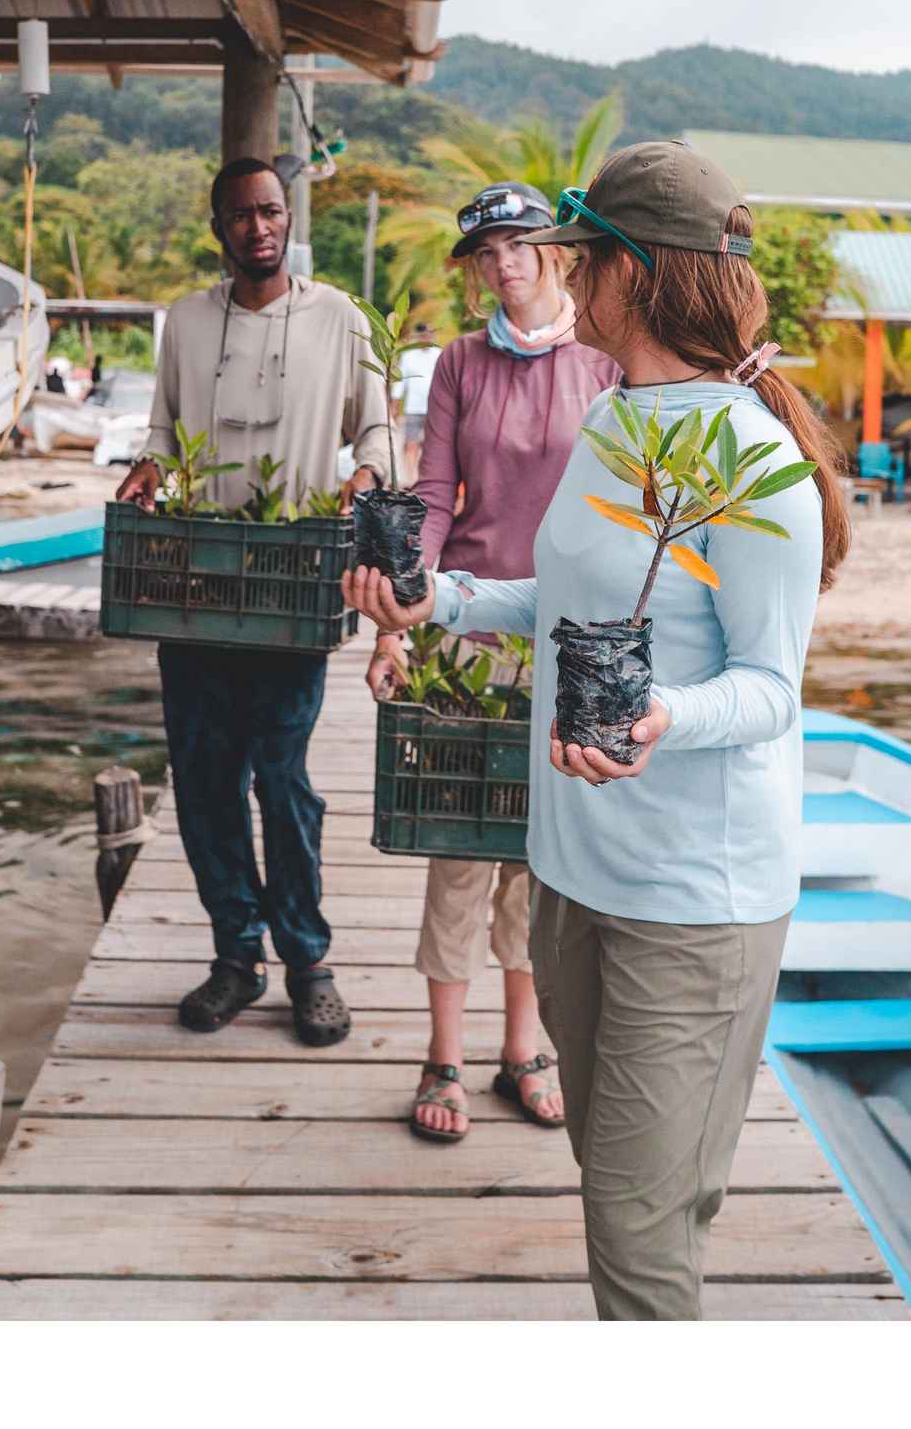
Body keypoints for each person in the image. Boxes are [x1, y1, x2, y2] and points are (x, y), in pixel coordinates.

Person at [345, 141, 852, 1318]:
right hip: (574, 872)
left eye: (584, 253)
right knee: (633, 1193)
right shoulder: (620, 418)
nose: (563, 272)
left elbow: (773, 688)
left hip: (693, 901)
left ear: (638, 273)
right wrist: (444, 599)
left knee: (636, 1232)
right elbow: (561, 597)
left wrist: (662, 713)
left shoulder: (750, 461)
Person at [117, 159, 398, 1046]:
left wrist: (364, 475)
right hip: (196, 583)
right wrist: (150, 464)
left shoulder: (339, 317)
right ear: (219, 227)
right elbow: (162, 424)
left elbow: (378, 425)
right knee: (204, 784)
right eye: (240, 214)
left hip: (293, 582)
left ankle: (308, 960)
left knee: (283, 783)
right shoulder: (187, 321)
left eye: (270, 210)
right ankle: (235, 956)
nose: (257, 227)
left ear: (290, 219)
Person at [370, 181, 620, 1146]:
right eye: (488, 251)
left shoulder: (602, 362)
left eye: (521, 245)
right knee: (458, 844)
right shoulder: (459, 364)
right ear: (475, 268)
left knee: (538, 855)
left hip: (565, 633)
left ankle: (524, 1048)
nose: (506, 262)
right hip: (469, 633)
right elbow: (434, 497)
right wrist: (398, 616)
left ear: (554, 254)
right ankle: (441, 1055)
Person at [395, 322, 443, 463]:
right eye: (424, 335)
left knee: (433, 444)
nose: (427, 337)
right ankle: (411, 479)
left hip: (435, 408)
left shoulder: (439, 354)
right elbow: (400, 382)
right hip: (413, 408)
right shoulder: (408, 355)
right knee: (411, 442)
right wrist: (395, 405)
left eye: (430, 334)